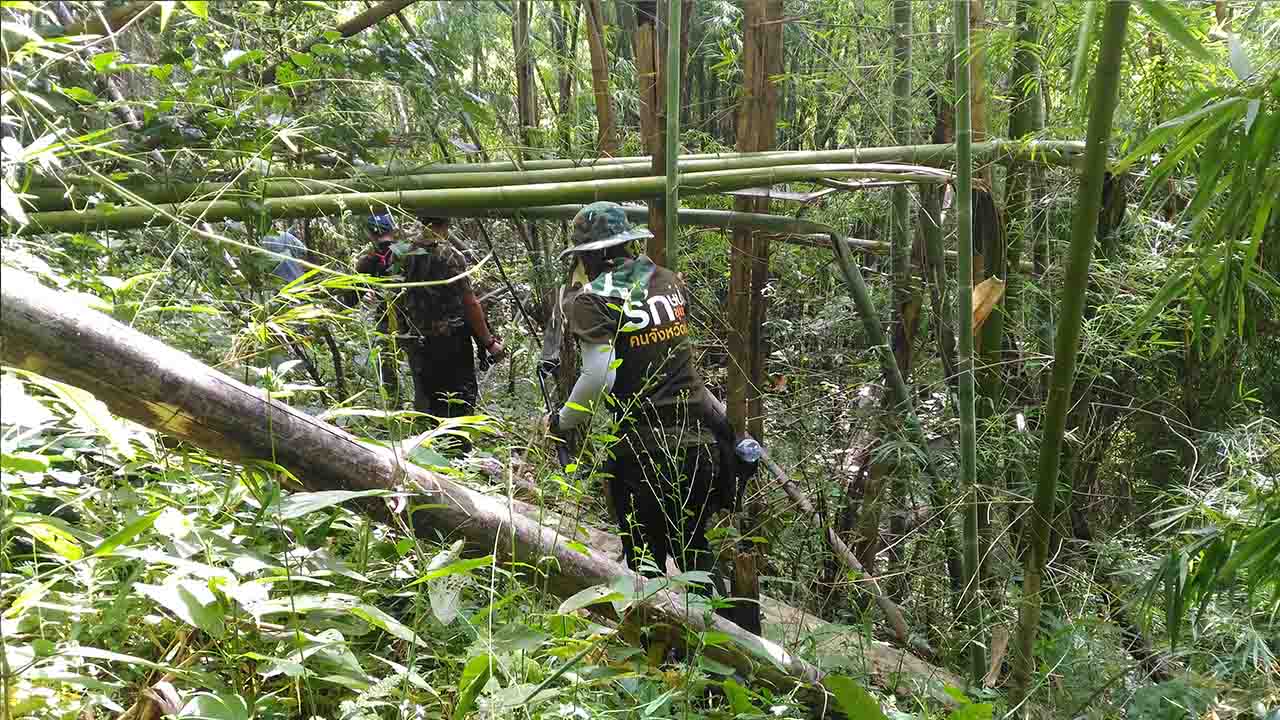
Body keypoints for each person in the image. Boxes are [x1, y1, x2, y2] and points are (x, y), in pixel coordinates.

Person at [546, 202, 754, 611]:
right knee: (694, 551)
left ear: (590, 255)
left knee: (644, 565)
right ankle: (726, 650)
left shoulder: (593, 299)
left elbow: (598, 375)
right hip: (700, 443)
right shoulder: (669, 281)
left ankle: (658, 656)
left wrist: (563, 419)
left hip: (644, 450)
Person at [390, 212, 504, 423]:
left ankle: (430, 445)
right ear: (447, 223)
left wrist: (401, 331)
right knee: (458, 400)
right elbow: (469, 303)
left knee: (428, 400)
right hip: (450, 341)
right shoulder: (450, 256)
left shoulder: (401, 253)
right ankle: (458, 449)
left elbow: (395, 296)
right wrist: (489, 342)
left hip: (417, 339)